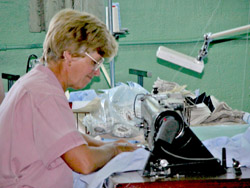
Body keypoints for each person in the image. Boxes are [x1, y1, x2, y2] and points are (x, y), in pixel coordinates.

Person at [0, 9, 138, 188]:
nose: (96, 73)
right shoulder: (45, 94)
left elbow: (64, 136)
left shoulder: (36, 82)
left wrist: (101, 144)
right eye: (94, 63)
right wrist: (115, 149)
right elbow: (84, 163)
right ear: (69, 54)